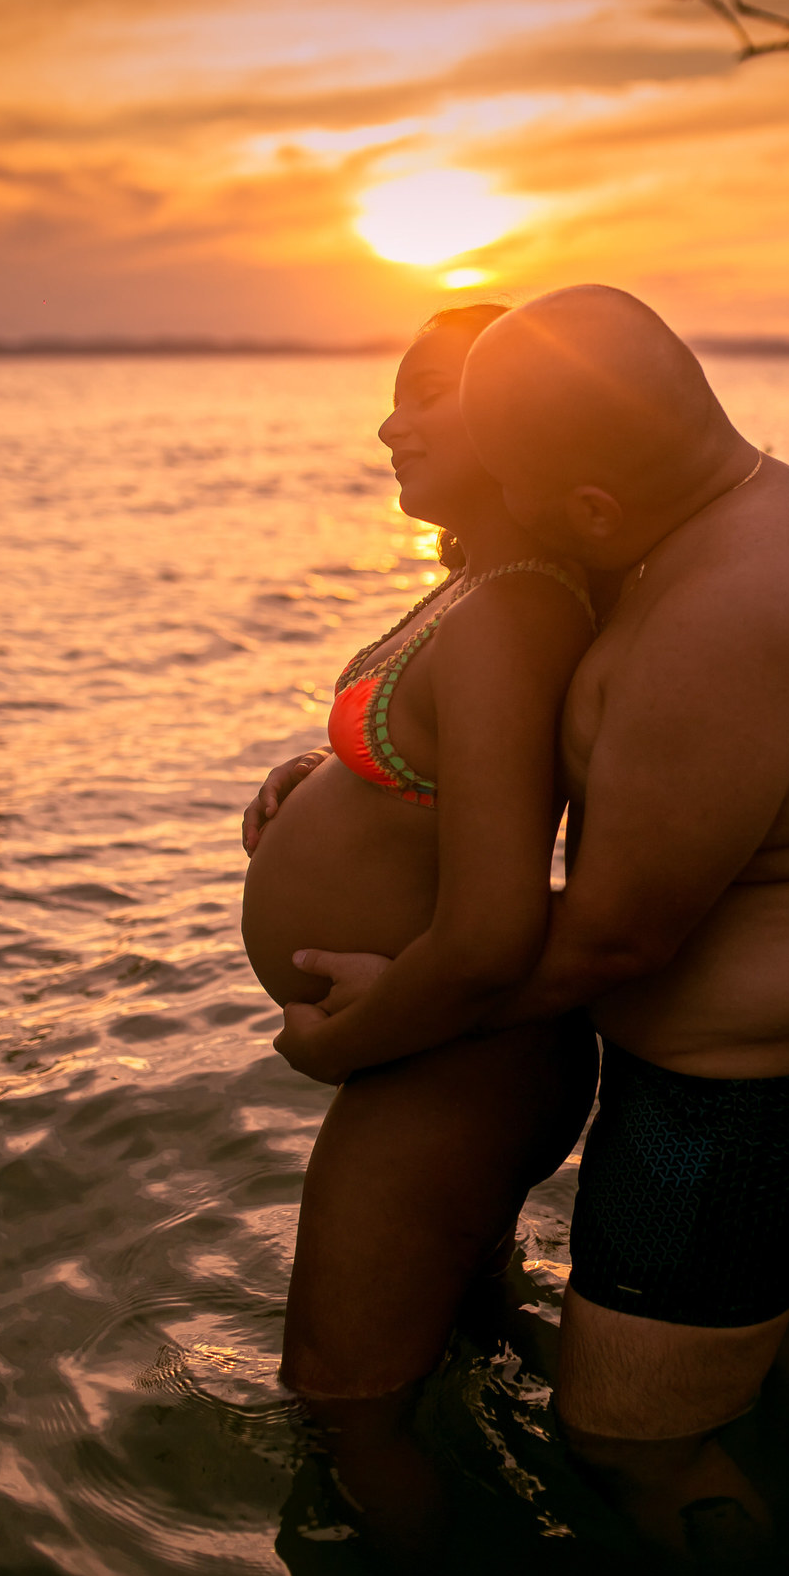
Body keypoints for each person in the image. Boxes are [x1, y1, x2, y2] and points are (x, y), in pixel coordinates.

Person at [275, 286, 789, 1511]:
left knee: (632, 1449)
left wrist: (390, 1014)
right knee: (765, 1398)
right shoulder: (726, 526)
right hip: (767, 1089)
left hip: (737, 1126)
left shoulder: (724, 612)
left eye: (517, 487)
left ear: (593, 508)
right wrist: (341, 785)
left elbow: (620, 929)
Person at [241, 301, 598, 1401]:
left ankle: (460, 1573)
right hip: (437, 1054)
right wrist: (337, 775)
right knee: (457, 1355)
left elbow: (493, 928)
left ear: (524, 421)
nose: (395, 425)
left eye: (430, 393)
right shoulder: (477, 588)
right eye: (393, 396)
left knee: (343, 1408)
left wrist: (333, 1048)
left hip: (450, 1062)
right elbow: (454, 773)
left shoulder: (513, 611)